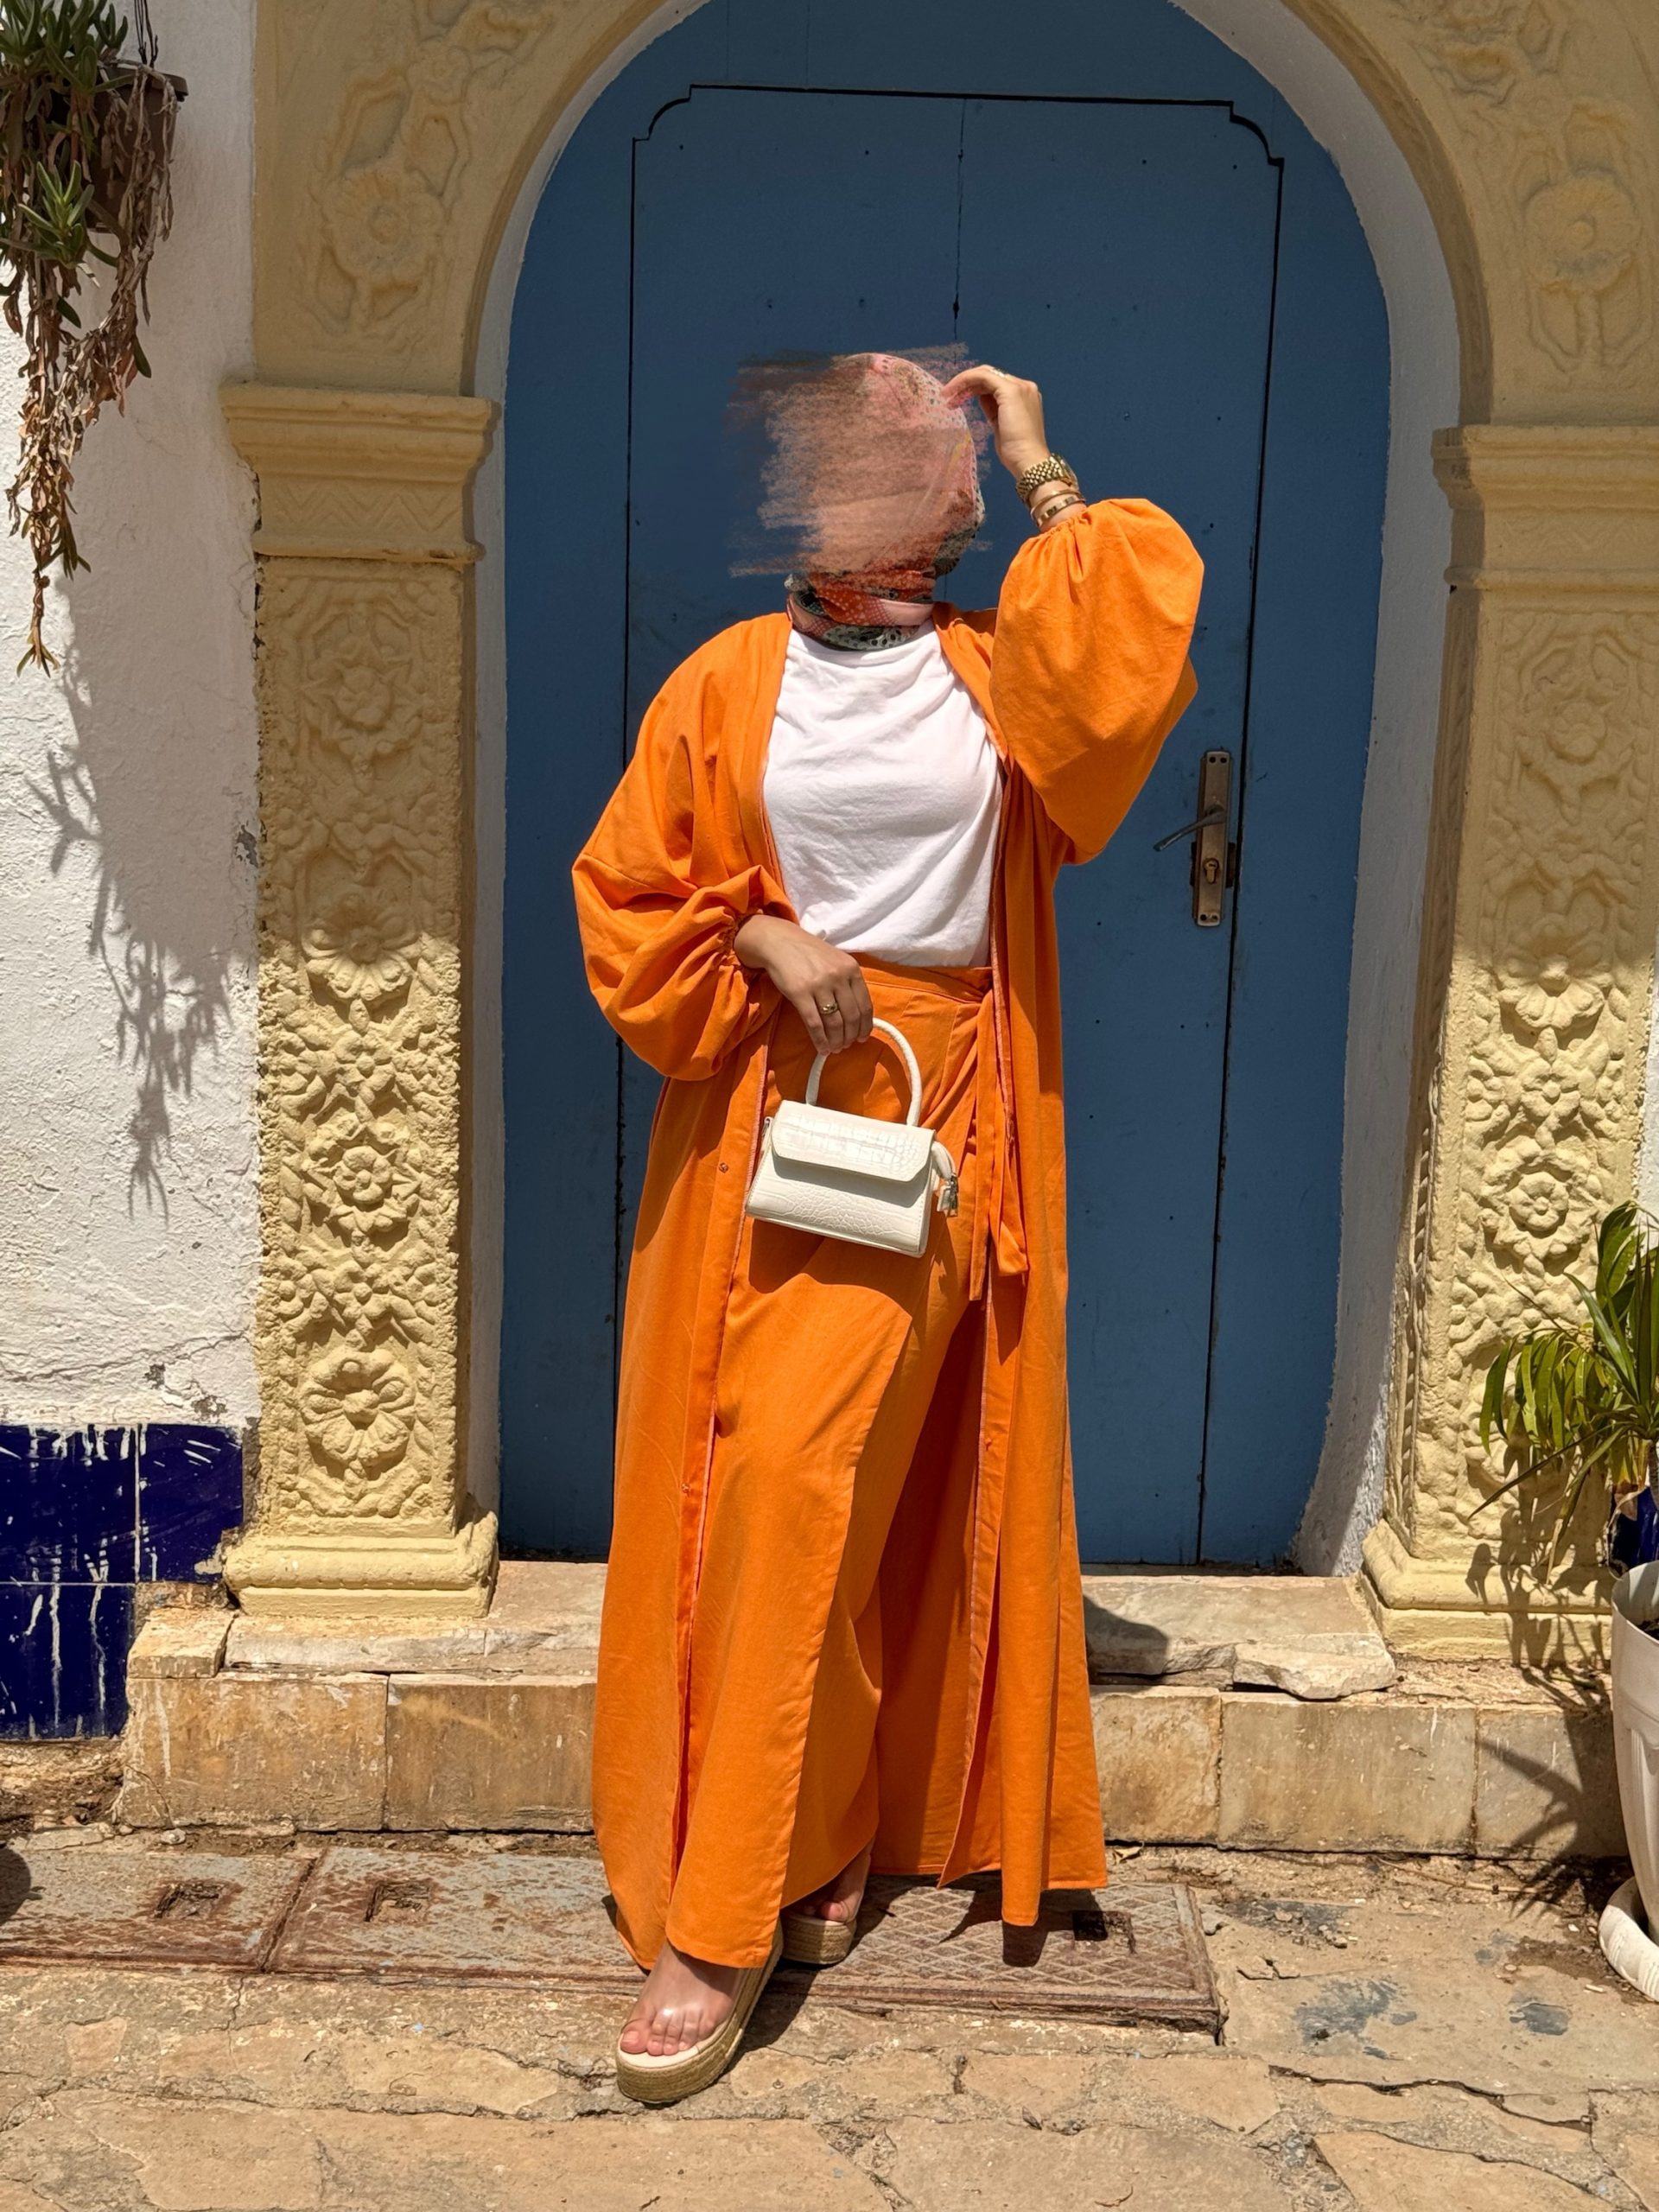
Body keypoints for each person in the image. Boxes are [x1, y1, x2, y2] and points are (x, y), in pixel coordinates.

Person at [572, 354, 1204, 2103]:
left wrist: (1047, 458)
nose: (867, 499)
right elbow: (627, 894)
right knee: (772, 1493)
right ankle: (806, 1837)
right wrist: (761, 937)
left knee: (811, 1483)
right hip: (762, 1110)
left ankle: (737, 1904)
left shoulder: (1000, 672)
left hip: (939, 1114)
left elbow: (1126, 664)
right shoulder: (727, 680)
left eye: (909, 473)